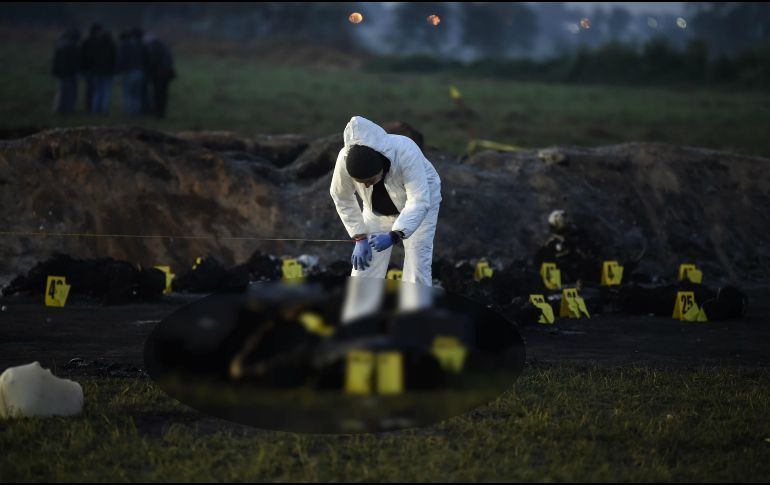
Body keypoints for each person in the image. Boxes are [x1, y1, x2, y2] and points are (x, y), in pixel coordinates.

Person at [330, 116, 442, 287]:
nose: (366, 185)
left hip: (420, 203)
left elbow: (418, 200)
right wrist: (359, 236)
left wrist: (395, 234)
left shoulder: (405, 151)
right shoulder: (344, 159)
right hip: (376, 211)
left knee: (417, 263)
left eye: (370, 180)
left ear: (382, 167)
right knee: (364, 267)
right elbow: (341, 196)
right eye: (361, 182)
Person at [80, 23, 116, 114]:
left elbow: (86, 57)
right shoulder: (110, 44)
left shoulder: (90, 42)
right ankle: (104, 110)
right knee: (105, 92)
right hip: (107, 72)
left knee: (95, 92)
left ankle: (93, 110)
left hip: (94, 71)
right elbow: (114, 58)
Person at [142, 32, 176, 118]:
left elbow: (154, 60)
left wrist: (149, 70)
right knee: (163, 95)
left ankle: (158, 113)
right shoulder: (162, 45)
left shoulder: (154, 46)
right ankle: (161, 113)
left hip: (159, 75)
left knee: (158, 95)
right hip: (165, 74)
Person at [115, 29, 145, 116]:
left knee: (127, 93)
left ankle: (128, 111)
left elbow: (121, 59)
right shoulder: (141, 45)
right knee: (136, 94)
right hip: (139, 72)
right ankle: (136, 111)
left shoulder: (125, 45)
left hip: (129, 72)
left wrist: (117, 70)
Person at [51, 29, 80, 114]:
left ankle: (59, 108)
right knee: (70, 92)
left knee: (62, 91)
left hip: (62, 73)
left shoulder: (60, 46)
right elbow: (74, 62)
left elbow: (56, 61)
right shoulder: (72, 47)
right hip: (70, 73)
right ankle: (67, 109)